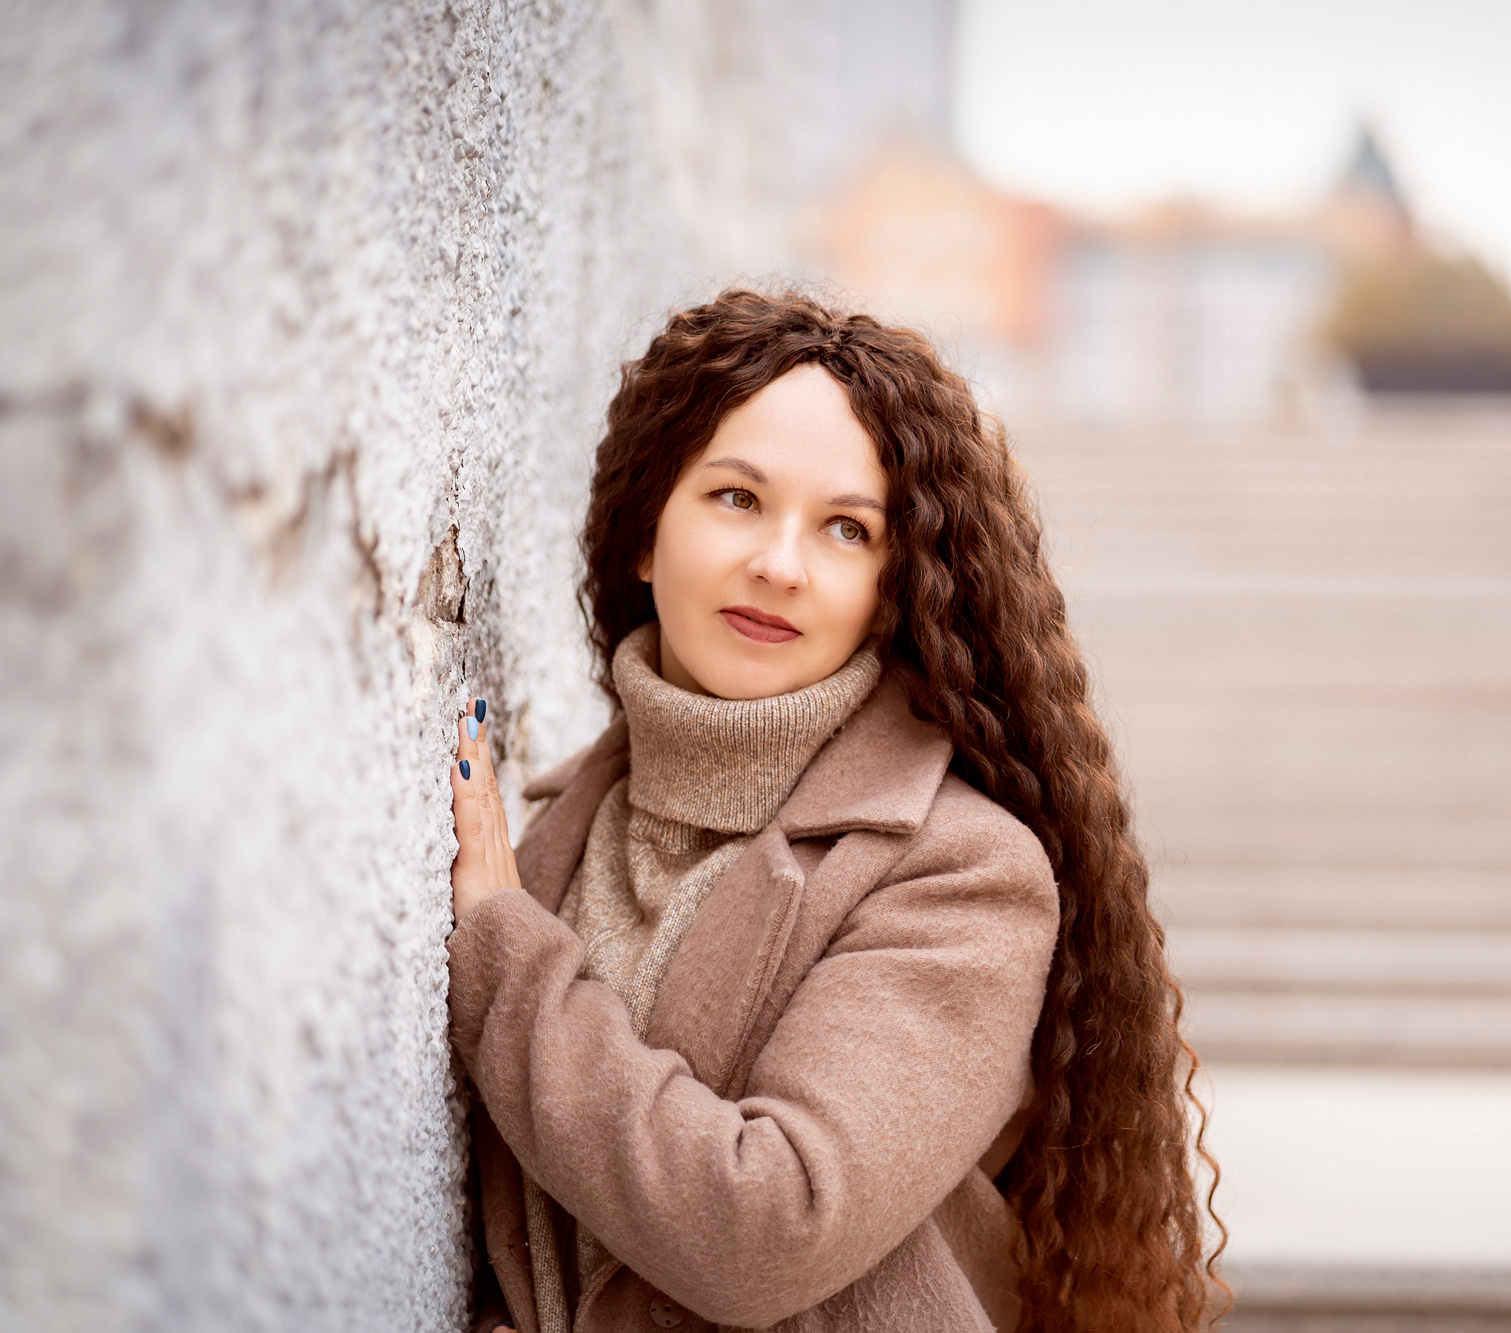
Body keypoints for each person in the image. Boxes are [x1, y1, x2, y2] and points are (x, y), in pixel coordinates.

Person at [445, 290, 1223, 1332]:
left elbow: (768, 1228)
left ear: (889, 590)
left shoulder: (960, 874)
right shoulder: (542, 837)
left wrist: (509, 960)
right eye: (735, 498)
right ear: (643, 532)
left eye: (846, 529)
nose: (779, 563)